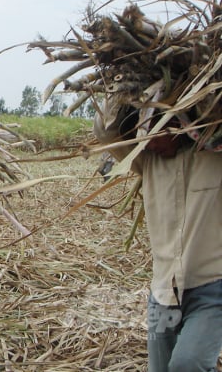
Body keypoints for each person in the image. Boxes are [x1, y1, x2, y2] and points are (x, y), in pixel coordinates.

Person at [93, 97, 222, 371]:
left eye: (153, 129)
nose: (147, 139)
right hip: (163, 292)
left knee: (188, 365)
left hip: (212, 291)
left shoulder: (214, 156)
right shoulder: (146, 161)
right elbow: (105, 130)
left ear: (177, 123)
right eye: (142, 131)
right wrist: (121, 93)